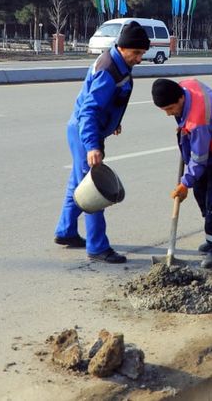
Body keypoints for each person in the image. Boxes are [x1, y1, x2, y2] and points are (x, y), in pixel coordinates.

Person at [54, 21, 150, 263]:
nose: (139, 59)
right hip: (84, 132)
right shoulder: (109, 69)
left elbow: (109, 103)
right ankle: (97, 247)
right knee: (94, 191)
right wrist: (93, 145)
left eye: (142, 54)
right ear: (122, 47)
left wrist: (112, 123)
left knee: (78, 184)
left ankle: (65, 232)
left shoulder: (119, 63)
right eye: (136, 53)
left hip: (91, 130)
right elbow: (89, 111)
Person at [151, 78, 212, 269]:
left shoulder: (199, 120)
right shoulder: (186, 86)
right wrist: (182, 122)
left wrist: (185, 183)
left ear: (181, 98)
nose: (168, 114)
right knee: (201, 192)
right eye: (165, 110)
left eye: (171, 109)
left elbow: (198, 158)